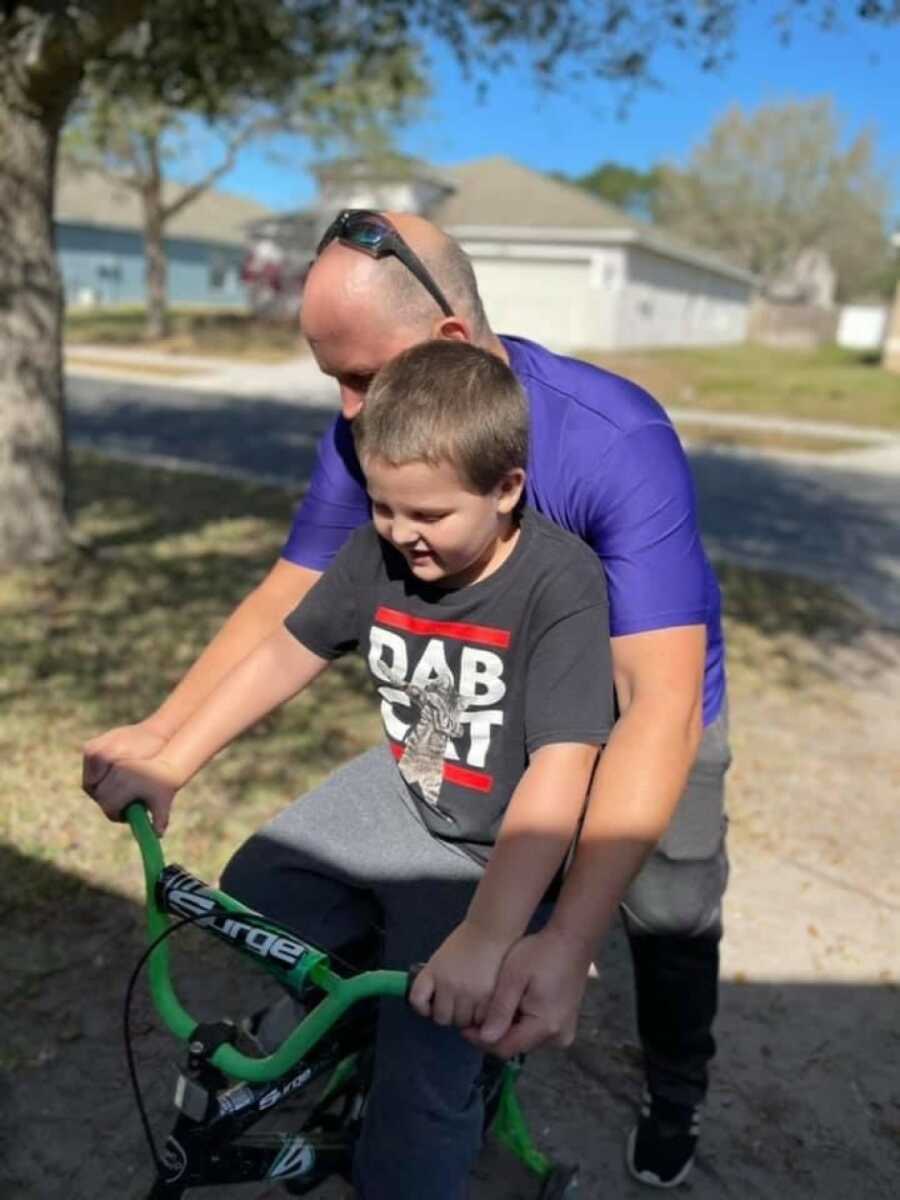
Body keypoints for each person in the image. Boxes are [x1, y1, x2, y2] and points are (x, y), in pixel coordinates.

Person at [84, 209, 731, 1189]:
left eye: (360, 376)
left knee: (671, 913)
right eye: (330, 378)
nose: (346, 412)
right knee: (349, 917)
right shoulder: (375, 440)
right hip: (471, 737)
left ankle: (674, 1095)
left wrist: (564, 940)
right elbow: (294, 601)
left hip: (643, 707)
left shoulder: (613, 441)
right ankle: (378, 1020)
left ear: (450, 346)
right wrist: (168, 740)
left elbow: (657, 708)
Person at [90, 339, 615, 1200]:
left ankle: (429, 1084)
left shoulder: (559, 583)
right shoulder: (381, 553)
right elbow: (285, 654)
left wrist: (487, 938)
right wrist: (173, 759)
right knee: (256, 890)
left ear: (507, 488)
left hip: (500, 844)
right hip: (408, 791)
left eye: (429, 516)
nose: (403, 535)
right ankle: (379, 1013)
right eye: (382, 507)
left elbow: (562, 771)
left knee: (421, 1086)